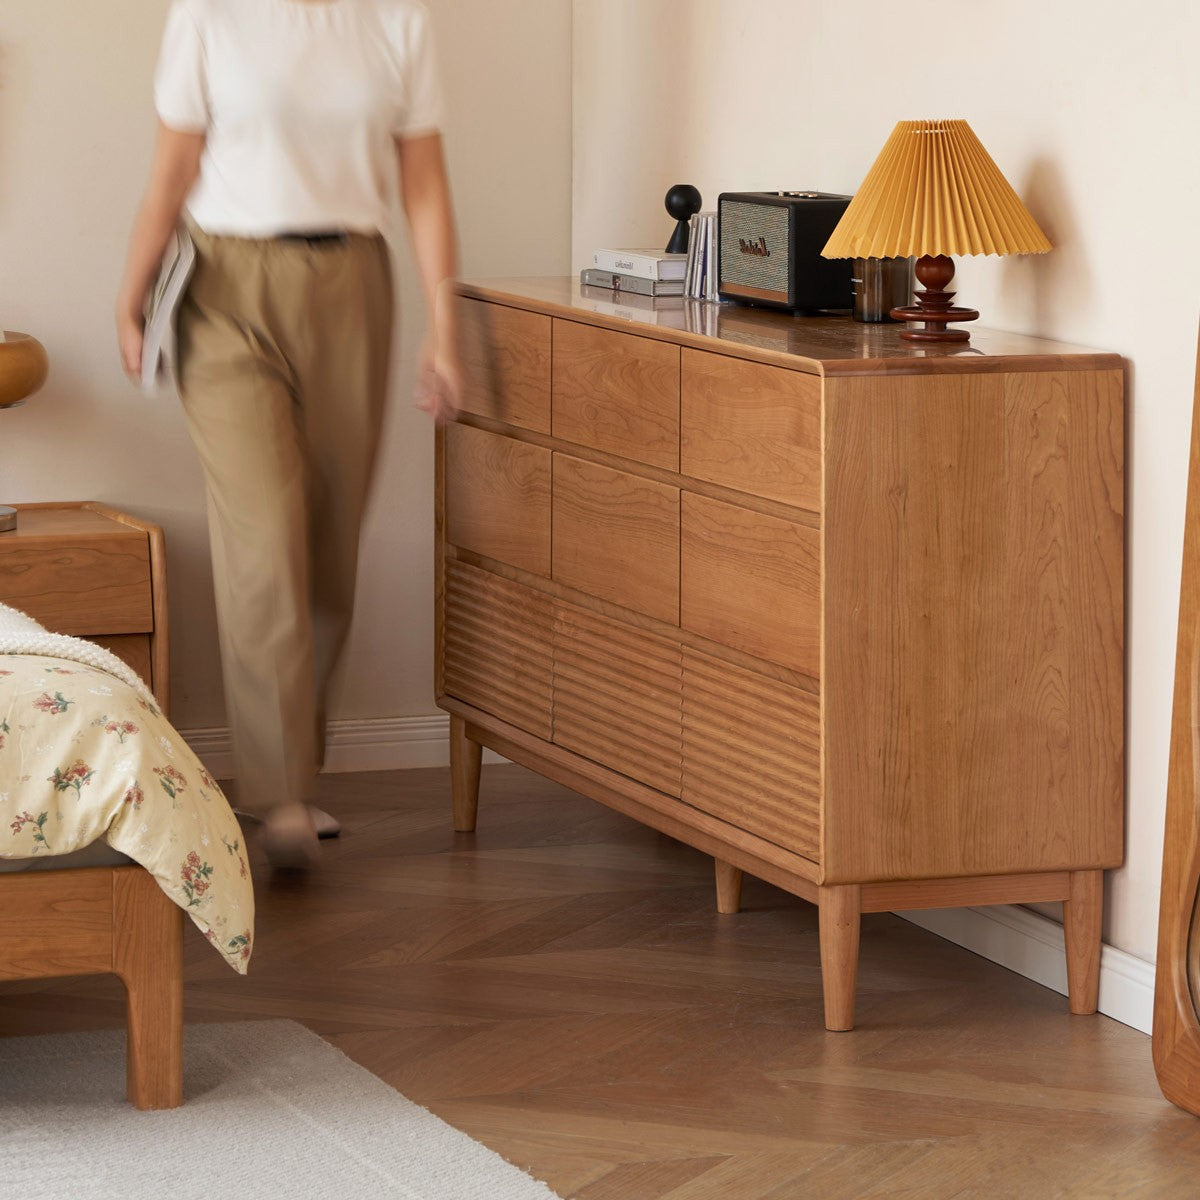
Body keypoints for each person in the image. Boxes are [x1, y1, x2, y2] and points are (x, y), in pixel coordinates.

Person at [116, 0, 461, 867]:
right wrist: (130, 294)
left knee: (328, 537)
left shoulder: (397, 21)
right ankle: (276, 798)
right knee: (265, 538)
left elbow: (422, 181)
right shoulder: (208, 14)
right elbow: (172, 169)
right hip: (224, 288)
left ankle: (296, 777)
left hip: (354, 285)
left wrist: (443, 327)